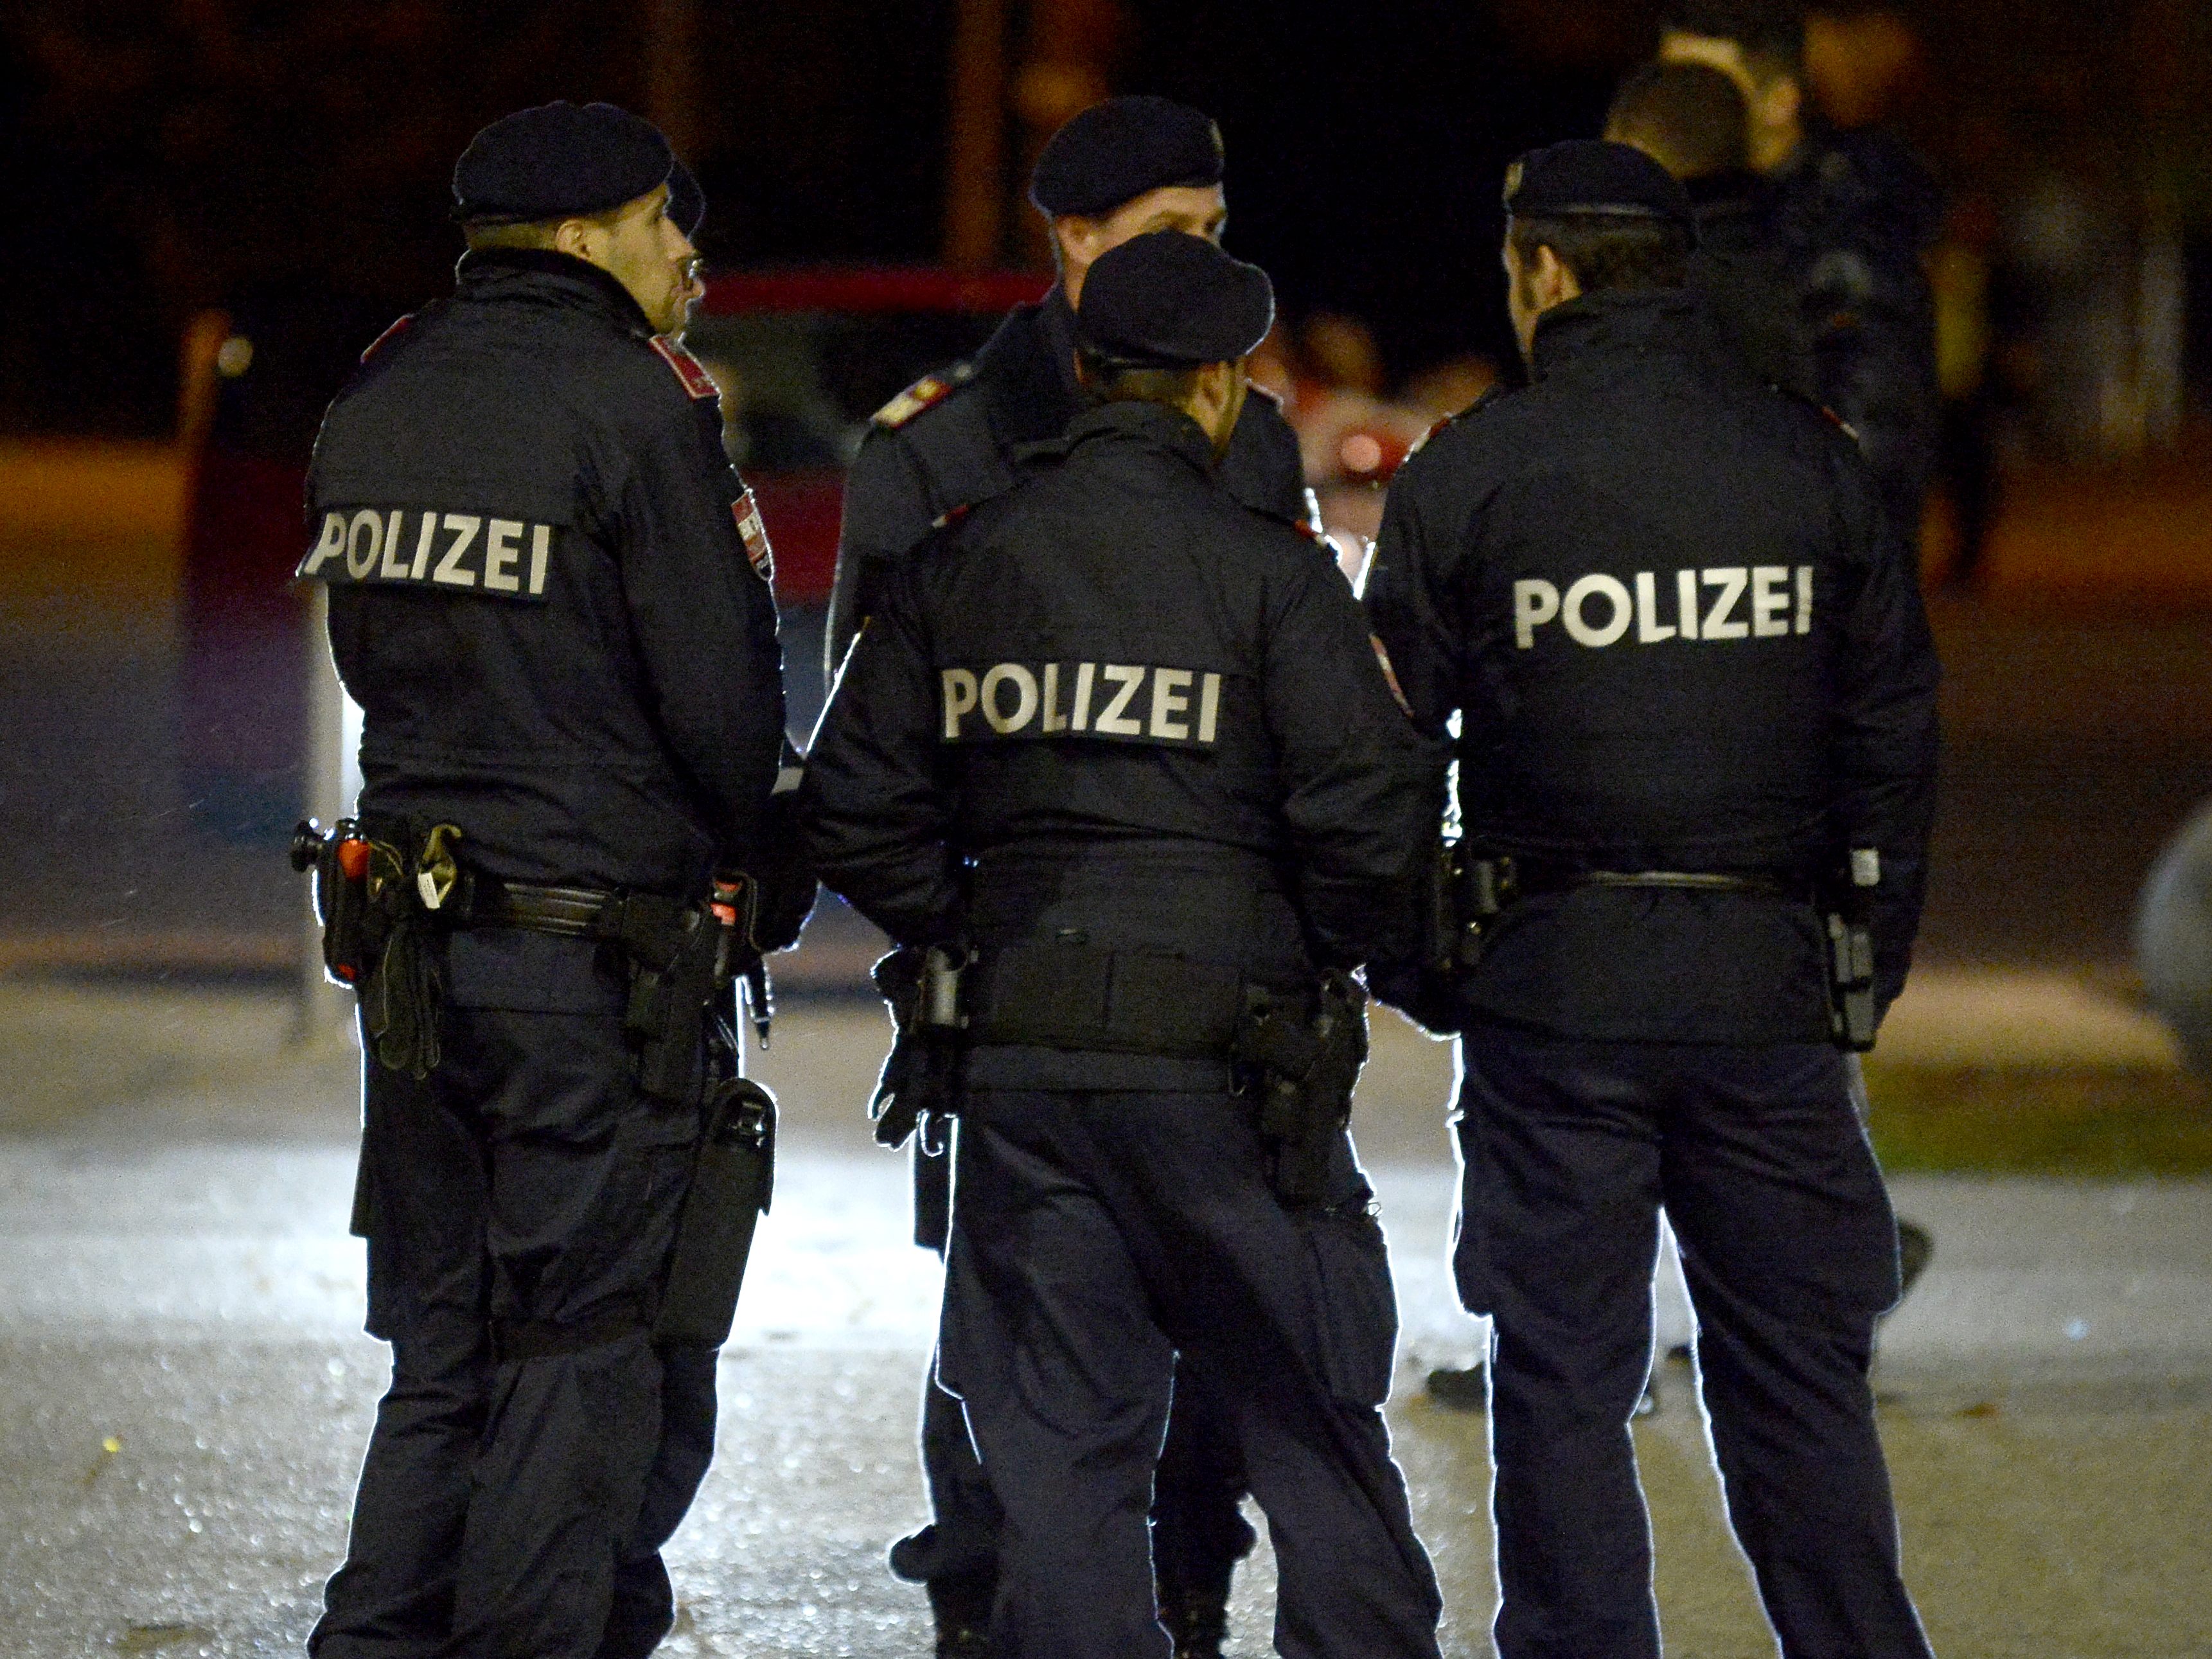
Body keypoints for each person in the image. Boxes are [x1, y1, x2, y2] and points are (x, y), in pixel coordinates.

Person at [804, 231, 1447, 1659]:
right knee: (1314, 1436)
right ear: (1219, 387)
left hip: (1025, 1077)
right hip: (1231, 1079)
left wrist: (973, 923)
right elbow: (1372, 814)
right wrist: (1305, 947)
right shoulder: (1270, 578)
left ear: (1083, 374)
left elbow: (849, 804)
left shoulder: (962, 560)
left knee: (1063, 1469)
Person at [1364, 141, 1940, 1659]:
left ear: (1539, 269)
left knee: (1559, 1370)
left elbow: (1370, 756)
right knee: (1794, 1373)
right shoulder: (1803, 458)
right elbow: (1888, 733)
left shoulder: (1470, 470)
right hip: (1764, 988)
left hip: (1553, 987)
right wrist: (1855, 962)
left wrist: (1432, 957)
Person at [298, 102, 788, 1659]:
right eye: (662, 224)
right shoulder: (637, 407)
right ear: (583, 237)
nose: (686, 253)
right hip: (592, 967)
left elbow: (370, 662)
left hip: (415, 959)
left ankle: (373, 1638)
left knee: (445, 1342)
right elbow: (725, 711)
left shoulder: (377, 394)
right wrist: (768, 852)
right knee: (582, 1347)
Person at [1658, 0, 1942, 556]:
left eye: (1705, 89)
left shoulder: (1841, 232)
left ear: (1778, 103)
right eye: (1665, 86)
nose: (1675, 111)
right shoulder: (1690, 219)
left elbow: (1872, 451)